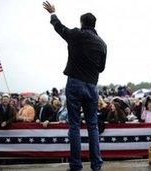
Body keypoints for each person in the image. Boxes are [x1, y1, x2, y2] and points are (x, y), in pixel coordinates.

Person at [43, 1, 107, 170]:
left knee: (75, 125)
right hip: (92, 86)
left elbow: (60, 28)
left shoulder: (77, 34)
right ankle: (96, 165)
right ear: (94, 24)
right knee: (93, 126)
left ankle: (76, 165)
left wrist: (52, 13)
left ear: (82, 23)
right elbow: (101, 67)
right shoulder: (102, 44)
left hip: (75, 83)